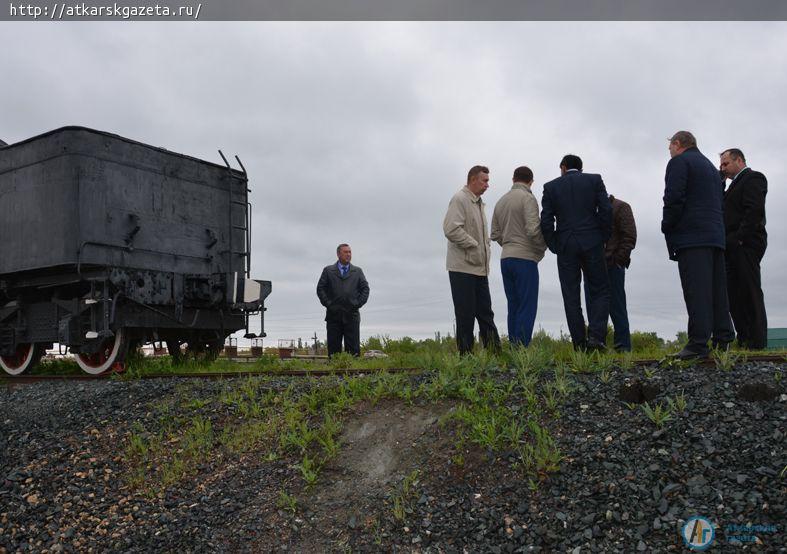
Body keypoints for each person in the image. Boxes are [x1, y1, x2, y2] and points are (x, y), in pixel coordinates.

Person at [662, 131, 734, 359]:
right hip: (715, 236)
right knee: (717, 290)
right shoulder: (712, 169)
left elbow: (673, 198)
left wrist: (667, 226)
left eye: (670, 147)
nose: (670, 151)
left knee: (697, 290)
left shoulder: (679, 163)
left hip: (692, 236)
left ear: (677, 143)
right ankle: (723, 338)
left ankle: (698, 343)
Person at [540, 154, 612, 351]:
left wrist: (554, 243)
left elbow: (546, 220)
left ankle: (579, 344)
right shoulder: (594, 180)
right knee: (600, 290)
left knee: (571, 294)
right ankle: (597, 338)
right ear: (580, 168)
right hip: (592, 242)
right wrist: (602, 237)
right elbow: (605, 210)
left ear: (563, 167)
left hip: (565, 245)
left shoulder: (551, 187)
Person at [443, 165, 501, 355]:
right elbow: (451, 229)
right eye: (484, 181)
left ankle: (495, 354)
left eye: (488, 181)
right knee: (465, 315)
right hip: (462, 268)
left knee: (485, 313)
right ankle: (466, 357)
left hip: (479, 268)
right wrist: (473, 244)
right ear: (473, 179)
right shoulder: (460, 199)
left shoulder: (478, 203)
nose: (487, 185)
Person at [490, 166, 547, 347]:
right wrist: (542, 247)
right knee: (527, 305)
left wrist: (508, 244)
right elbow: (532, 229)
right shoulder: (528, 198)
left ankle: (514, 345)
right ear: (531, 181)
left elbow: (495, 233)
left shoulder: (501, 201)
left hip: (506, 258)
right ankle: (522, 347)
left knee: (513, 304)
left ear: (513, 179)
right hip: (525, 258)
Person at [719, 148, 768, 349]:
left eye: (725, 164)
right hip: (731, 245)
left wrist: (739, 239)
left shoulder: (753, 178)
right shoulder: (730, 187)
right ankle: (744, 337)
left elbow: (754, 211)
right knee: (734, 293)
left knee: (749, 290)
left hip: (746, 243)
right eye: (721, 165)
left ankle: (757, 341)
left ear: (738, 160)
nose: (722, 168)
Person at [585, 194, 637, 352]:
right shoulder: (590, 210)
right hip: (593, 266)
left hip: (613, 265)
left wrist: (618, 260)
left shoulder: (621, 207)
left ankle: (623, 347)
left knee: (617, 307)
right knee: (593, 309)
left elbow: (629, 236)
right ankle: (597, 346)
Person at [316, 244, 370, 357]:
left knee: (353, 349)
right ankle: (334, 373)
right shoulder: (328, 271)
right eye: (346, 252)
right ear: (338, 254)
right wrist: (329, 304)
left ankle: (353, 374)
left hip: (352, 315)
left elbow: (365, 289)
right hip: (333, 315)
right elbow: (320, 289)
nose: (349, 254)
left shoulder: (357, 271)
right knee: (334, 349)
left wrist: (357, 304)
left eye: (350, 252)